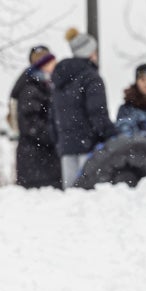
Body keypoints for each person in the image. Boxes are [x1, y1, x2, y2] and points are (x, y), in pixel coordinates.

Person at [51, 27, 118, 189]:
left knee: (72, 196)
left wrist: (58, 142)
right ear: (90, 52)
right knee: (89, 197)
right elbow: (97, 113)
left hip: (66, 147)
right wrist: (112, 135)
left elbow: (53, 116)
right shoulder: (91, 78)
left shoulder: (61, 79)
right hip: (88, 146)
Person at [7, 45, 61, 189]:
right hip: (36, 162)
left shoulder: (46, 87)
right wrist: (55, 135)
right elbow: (31, 125)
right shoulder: (31, 89)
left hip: (43, 159)